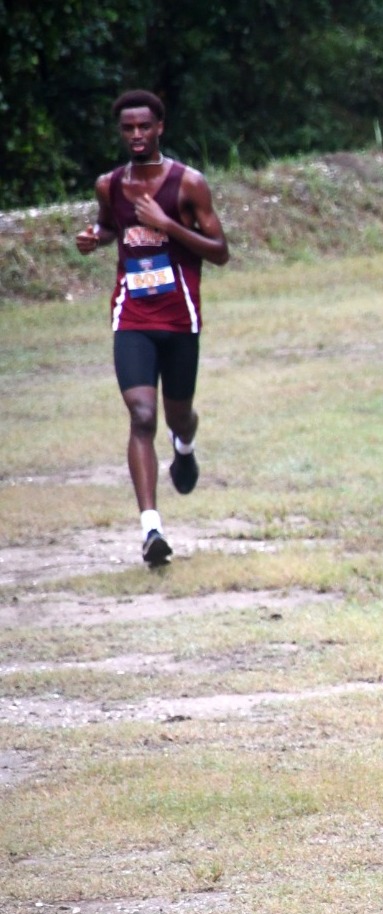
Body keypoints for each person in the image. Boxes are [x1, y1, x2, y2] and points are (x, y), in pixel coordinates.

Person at [74, 89, 230, 567]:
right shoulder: (110, 185)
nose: (136, 135)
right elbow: (109, 226)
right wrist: (93, 238)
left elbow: (220, 250)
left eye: (144, 126)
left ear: (160, 127)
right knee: (141, 415)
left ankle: (184, 446)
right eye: (128, 128)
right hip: (133, 317)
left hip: (179, 318)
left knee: (175, 416)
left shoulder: (188, 184)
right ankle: (152, 531)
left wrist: (168, 224)